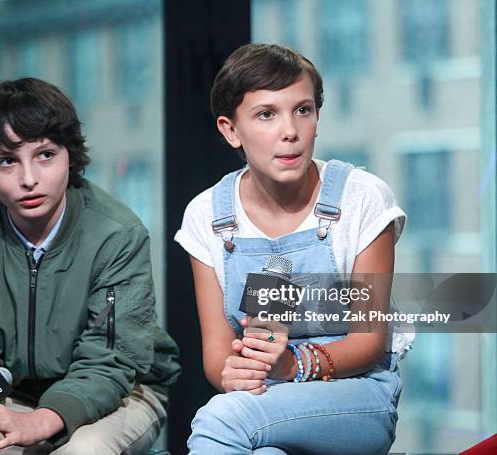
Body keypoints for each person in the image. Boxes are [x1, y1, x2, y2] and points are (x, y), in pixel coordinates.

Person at [0, 77, 180, 455]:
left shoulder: (117, 233)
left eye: (45, 155)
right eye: (7, 161)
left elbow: (111, 360)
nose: (28, 179)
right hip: (13, 397)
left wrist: (41, 421)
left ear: (69, 155)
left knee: (80, 452)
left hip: (123, 392)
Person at [175, 43, 413, 454]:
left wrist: (293, 365)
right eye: (267, 114)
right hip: (265, 397)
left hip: (356, 394)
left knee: (220, 419)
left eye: (303, 110)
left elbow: (368, 342)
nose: (290, 130)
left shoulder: (362, 198)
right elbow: (215, 352)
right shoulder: (206, 215)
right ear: (230, 130)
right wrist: (234, 374)